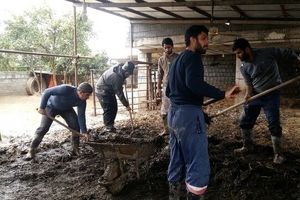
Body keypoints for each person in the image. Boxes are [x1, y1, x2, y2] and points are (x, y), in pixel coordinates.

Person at [166, 25, 239, 200]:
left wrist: (191, 107)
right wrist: (223, 94)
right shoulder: (193, 58)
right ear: (192, 39)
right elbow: (194, 85)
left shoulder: (177, 60)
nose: (207, 42)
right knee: (197, 160)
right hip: (188, 115)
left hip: (173, 114)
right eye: (204, 38)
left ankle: (174, 195)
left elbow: (168, 90)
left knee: (177, 156)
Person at [232, 38, 300, 164]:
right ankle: (248, 146)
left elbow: (286, 53)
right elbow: (249, 84)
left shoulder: (267, 53)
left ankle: (278, 154)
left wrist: (297, 61)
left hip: (272, 94)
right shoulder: (244, 66)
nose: (238, 56)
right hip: (256, 95)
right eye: (236, 54)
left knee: (273, 122)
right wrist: (248, 96)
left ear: (247, 49)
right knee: (245, 120)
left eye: (239, 53)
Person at [25, 82, 93, 160]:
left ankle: (75, 149)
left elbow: (81, 116)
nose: (88, 97)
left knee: (75, 127)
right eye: (87, 95)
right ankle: (32, 149)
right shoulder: (65, 89)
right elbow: (47, 91)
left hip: (66, 110)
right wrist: (42, 107)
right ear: (81, 92)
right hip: (51, 107)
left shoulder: (82, 102)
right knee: (43, 128)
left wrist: (84, 131)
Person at [96, 61, 135, 132]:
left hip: (108, 90)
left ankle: (111, 125)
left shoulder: (120, 67)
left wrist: (123, 79)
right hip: (102, 91)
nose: (128, 76)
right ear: (125, 70)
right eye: (128, 74)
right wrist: (126, 105)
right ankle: (108, 127)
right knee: (108, 109)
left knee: (114, 107)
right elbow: (120, 94)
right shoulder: (117, 78)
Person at [156, 37, 179, 136]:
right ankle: (166, 130)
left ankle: (177, 130)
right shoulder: (161, 60)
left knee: (177, 108)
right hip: (166, 87)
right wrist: (158, 88)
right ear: (163, 47)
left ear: (172, 47)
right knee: (164, 110)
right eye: (165, 47)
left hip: (177, 87)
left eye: (169, 47)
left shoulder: (178, 57)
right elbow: (159, 75)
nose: (167, 49)